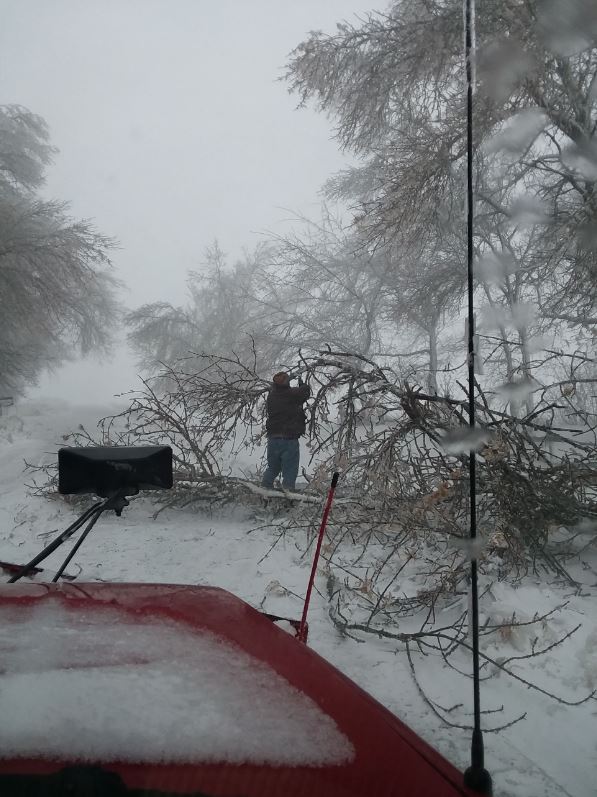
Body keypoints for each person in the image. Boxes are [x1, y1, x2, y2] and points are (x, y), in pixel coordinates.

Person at [261, 371, 310, 491]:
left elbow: (285, 391)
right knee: (290, 470)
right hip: (288, 439)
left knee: (272, 468)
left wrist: (289, 380)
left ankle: (264, 490)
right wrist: (302, 383)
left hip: (273, 439)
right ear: (286, 382)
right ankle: (288, 496)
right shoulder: (291, 394)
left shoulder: (272, 396)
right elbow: (304, 393)